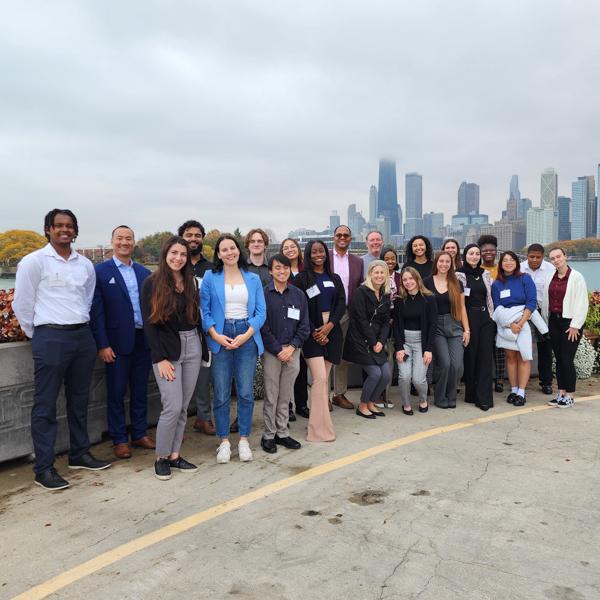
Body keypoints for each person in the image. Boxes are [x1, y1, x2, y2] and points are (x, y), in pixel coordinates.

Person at [13, 209, 111, 490]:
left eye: (69, 226)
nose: (64, 230)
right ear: (48, 229)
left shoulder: (85, 265)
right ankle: (43, 468)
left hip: (82, 336)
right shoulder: (34, 262)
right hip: (51, 336)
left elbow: (88, 298)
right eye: (58, 226)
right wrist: (40, 335)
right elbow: (22, 304)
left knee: (80, 400)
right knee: (45, 405)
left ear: (75, 231)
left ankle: (79, 453)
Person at [141, 236, 204, 481]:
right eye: (174, 253)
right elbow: (149, 325)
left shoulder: (190, 282)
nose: (178, 258)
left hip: (193, 346)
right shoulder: (152, 283)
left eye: (183, 255)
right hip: (168, 350)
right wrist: (160, 358)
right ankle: (161, 457)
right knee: (172, 406)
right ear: (166, 254)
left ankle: (175, 455)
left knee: (183, 408)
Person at [200, 234, 266, 463]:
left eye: (233, 248)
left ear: (239, 250)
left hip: (246, 336)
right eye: (224, 249)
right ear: (218, 254)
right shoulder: (210, 277)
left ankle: (244, 440)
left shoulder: (253, 278)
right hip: (220, 336)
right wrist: (216, 335)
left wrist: (246, 334)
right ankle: (224, 442)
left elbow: (261, 313)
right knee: (220, 393)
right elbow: (204, 311)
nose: (230, 252)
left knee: (246, 392)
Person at [90, 225, 154, 460]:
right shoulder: (101, 272)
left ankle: (139, 433)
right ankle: (119, 438)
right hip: (116, 343)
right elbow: (97, 312)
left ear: (134, 243)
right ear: (112, 241)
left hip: (142, 341)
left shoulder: (144, 272)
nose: (124, 242)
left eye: (128, 239)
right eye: (120, 238)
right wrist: (102, 344)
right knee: (116, 392)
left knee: (140, 391)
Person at [294, 240, 344, 442]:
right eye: (313, 251)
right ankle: (317, 429)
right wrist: (317, 331)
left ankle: (321, 425)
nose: (318, 254)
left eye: (321, 251)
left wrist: (329, 326)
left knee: (322, 382)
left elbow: (341, 302)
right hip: (310, 333)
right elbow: (300, 306)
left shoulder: (335, 278)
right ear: (308, 254)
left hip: (332, 331)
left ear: (326, 253)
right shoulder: (301, 279)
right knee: (320, 379)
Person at [260, 254, 310, 453]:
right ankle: (268, 435)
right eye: (278, 268)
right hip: (272, 352)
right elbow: (262, 327)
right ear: (271, 271)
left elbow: (304, 325)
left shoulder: (298, 294)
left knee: (285, 395)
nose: (282, 271)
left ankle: (282, 433)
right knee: (271, 394)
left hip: (293, 351)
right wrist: (278, 349)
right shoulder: (263, 294)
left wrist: (292, 347)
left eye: (286, 268)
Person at [178, 220, 215, 436]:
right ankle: (177, 424)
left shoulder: (210, 269)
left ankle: (203, 417)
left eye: (198, 235)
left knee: (204, 377)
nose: (193, 239)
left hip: (204, 330)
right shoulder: (175, 265)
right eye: (188, 235)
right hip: (178, 330)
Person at [343, 260, 392, 418]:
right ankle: (363, 405)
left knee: (386, 375)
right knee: (375, 374)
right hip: (360, 340)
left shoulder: (385, 294)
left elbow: (386, 322)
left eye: (382, 272)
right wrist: (373, 342)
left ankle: (371, 402)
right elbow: (361, 320)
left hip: (377, 340)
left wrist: (381, 342)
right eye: (375, 272)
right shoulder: (361, 292)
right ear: (369, 274)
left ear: (386, 275)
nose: (379, 275)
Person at [542, 248, 589, 408]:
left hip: (570, 323)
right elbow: (546, 301)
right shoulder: (550, 276)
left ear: (565, 257)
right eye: (553, 258)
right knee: (559, 359)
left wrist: (576, 325)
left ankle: (570, 395)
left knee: (567, 359)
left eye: (559, 257)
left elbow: (582, 303)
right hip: (554, 321)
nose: (556, 260)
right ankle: (561, 393)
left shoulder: (576, 277)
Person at [491, 251, 538, 407]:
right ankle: (514, 389)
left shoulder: (525, 278)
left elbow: (531, 302)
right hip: (507, 325)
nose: (509, 263)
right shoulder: (497, 284)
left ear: (517, 263)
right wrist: (510, 324)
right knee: (510, 357)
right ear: (501, 263)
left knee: (523, 356)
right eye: (505, 260)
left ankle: (522, 392)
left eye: (512, 260)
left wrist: (521, 322)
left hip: (523, 322)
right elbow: (497, 307)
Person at [425, 252, 470, 409]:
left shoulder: (456, 283)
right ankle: (440, 396)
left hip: (455, 324)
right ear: (436, 263)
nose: (444, 264)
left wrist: (467, 330)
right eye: (441, 261)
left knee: (457, 365)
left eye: (447, 262)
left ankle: (451, 395)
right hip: (436, 326)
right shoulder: (427, 282)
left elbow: (463, 307)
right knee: (444, 363)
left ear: (452, 264)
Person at [393, 267, 437, 415]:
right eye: (405, 279)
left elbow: (432, 325)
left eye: (411, 278)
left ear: (417, 279)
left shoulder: (429, 298)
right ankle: (406, 404)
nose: (408, 282)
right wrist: (399, 347)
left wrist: (429, 349)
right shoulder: (399, 300)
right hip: (404, 342)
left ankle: (423, 399)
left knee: (418, 379)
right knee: (404, 376)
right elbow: (397, 327)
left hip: (421, 343)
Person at [329, 225, 363, 410]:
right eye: (339, 235)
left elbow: (359, 288)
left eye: (346, 235)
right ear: (334, 238)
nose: (342, 238)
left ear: (350, 238)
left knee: (342, 357)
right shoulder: (324, 257)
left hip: (348, 313)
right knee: (325, 355)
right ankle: (323, 396)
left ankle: (339, 394)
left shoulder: (357, 262)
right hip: (326, 314)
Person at [457, 244, 495, 411]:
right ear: (465, 256)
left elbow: (489, 298)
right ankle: (470, 393)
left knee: (486, 357)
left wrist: (492, 317)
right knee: (471, 356)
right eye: (471, 253)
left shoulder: (485, 274)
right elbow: (460, 303)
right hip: (468, 317)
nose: (474, 256)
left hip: (485, 317)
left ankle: (484, 398)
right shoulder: (459, 275)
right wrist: (465, 327)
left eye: (477, 254)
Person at [520, 244, 555, 396]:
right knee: (522, 346)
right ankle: (521, 382)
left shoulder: (550, 269)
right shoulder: (520, 268)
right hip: (524, 311)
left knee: (545, 347)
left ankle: (546, 382)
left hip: (542, 311)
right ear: (527, 256)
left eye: (538, 257)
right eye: (531, 257)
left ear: (543, 256)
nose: (534, 260)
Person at [280, 237, 304, 421]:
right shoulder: (281, 271)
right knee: (286, 369)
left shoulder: (306, 270)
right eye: (286, 248)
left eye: (293, 246)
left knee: (301, 368)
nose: (290, 250)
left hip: (303, 324)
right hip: (285, 327)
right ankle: (286, 406)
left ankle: (301, 404)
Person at [477, 234, 505, 393]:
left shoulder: (502, 268)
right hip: (484, 315)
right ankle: (484, 377)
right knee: (485, 347)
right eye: (485, 250)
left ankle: (500, 379)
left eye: (492, 250)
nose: (488, 252)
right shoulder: (477, 269)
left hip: (501, 314)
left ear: (496, 251)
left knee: (499, 347)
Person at [377, 246, 402, 408]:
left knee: (391, 358)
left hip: (397, 322)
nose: (390, 261)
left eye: (393, 258)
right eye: (387, 258)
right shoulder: (378, 277)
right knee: (381, 358)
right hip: (381, 324)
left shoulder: (401, 277)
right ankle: (378, 395)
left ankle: (386, 396)